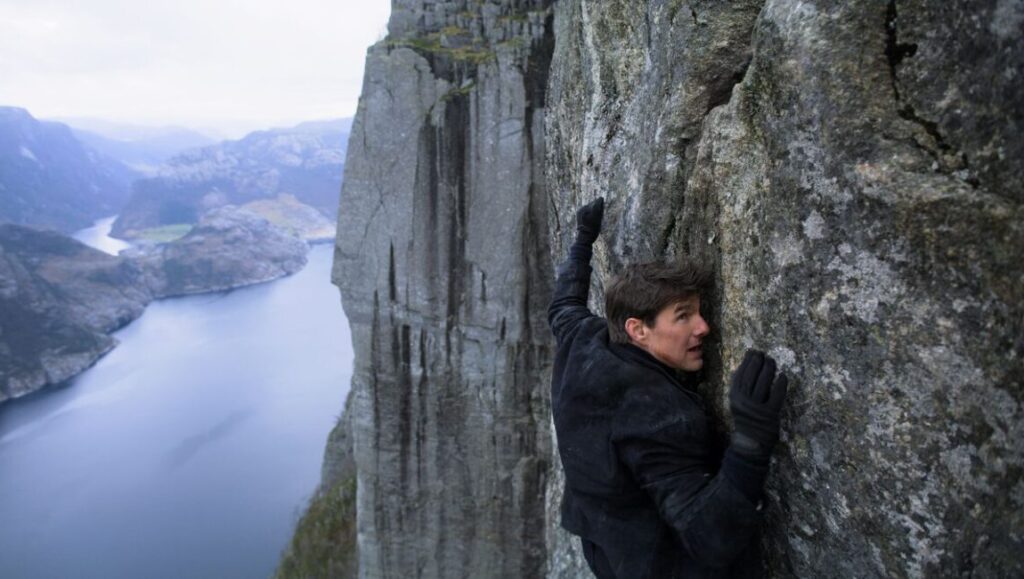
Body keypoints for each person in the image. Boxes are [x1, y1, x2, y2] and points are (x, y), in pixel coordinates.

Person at [548, 197, 788, 578]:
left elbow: (563, 306)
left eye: (699, 312)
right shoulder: (657, 415)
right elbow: (711, 536)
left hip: (604, 545)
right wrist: (751, 441)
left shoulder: (584, 338)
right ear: (637, 329)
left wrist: (583, 240)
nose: (703, 328)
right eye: (683, 317)